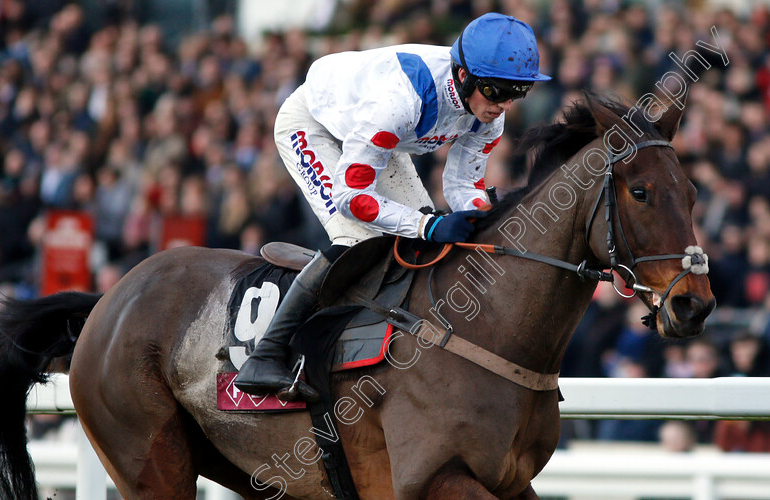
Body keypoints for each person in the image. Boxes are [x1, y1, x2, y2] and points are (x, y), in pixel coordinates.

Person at [234, 13, 551, 401]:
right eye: (495, 91)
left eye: (515, 93)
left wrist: (482, 217)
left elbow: (462, 183)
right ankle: (266, 354)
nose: (503, 105)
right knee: (358, 238)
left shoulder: (488, 115)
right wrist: (428, 226)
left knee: (419, 243)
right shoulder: (400, 102)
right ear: (464, 76)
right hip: (314, 125)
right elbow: (350, 196)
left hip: (381, 140)